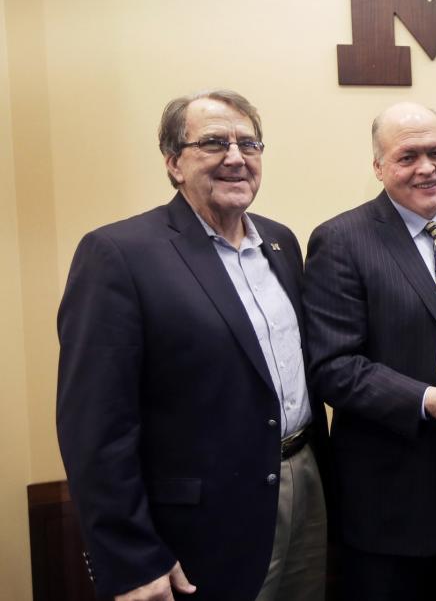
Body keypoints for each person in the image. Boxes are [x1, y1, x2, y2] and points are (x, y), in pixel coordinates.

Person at [56, 90, 328, 601]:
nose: (235, 157)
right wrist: (130, 558)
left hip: (305, 488)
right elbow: (94, 425)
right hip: (201, 525)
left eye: (249, 143)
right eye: (212, 143)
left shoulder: (281, 242)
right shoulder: (118, 254)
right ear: (173, 163)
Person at [302, 102, 436, 601]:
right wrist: (426, 400)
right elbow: (333, 367)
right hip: (393, 501)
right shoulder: (341, 240)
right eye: (406, 156)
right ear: (378, 167)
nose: (426, 168)